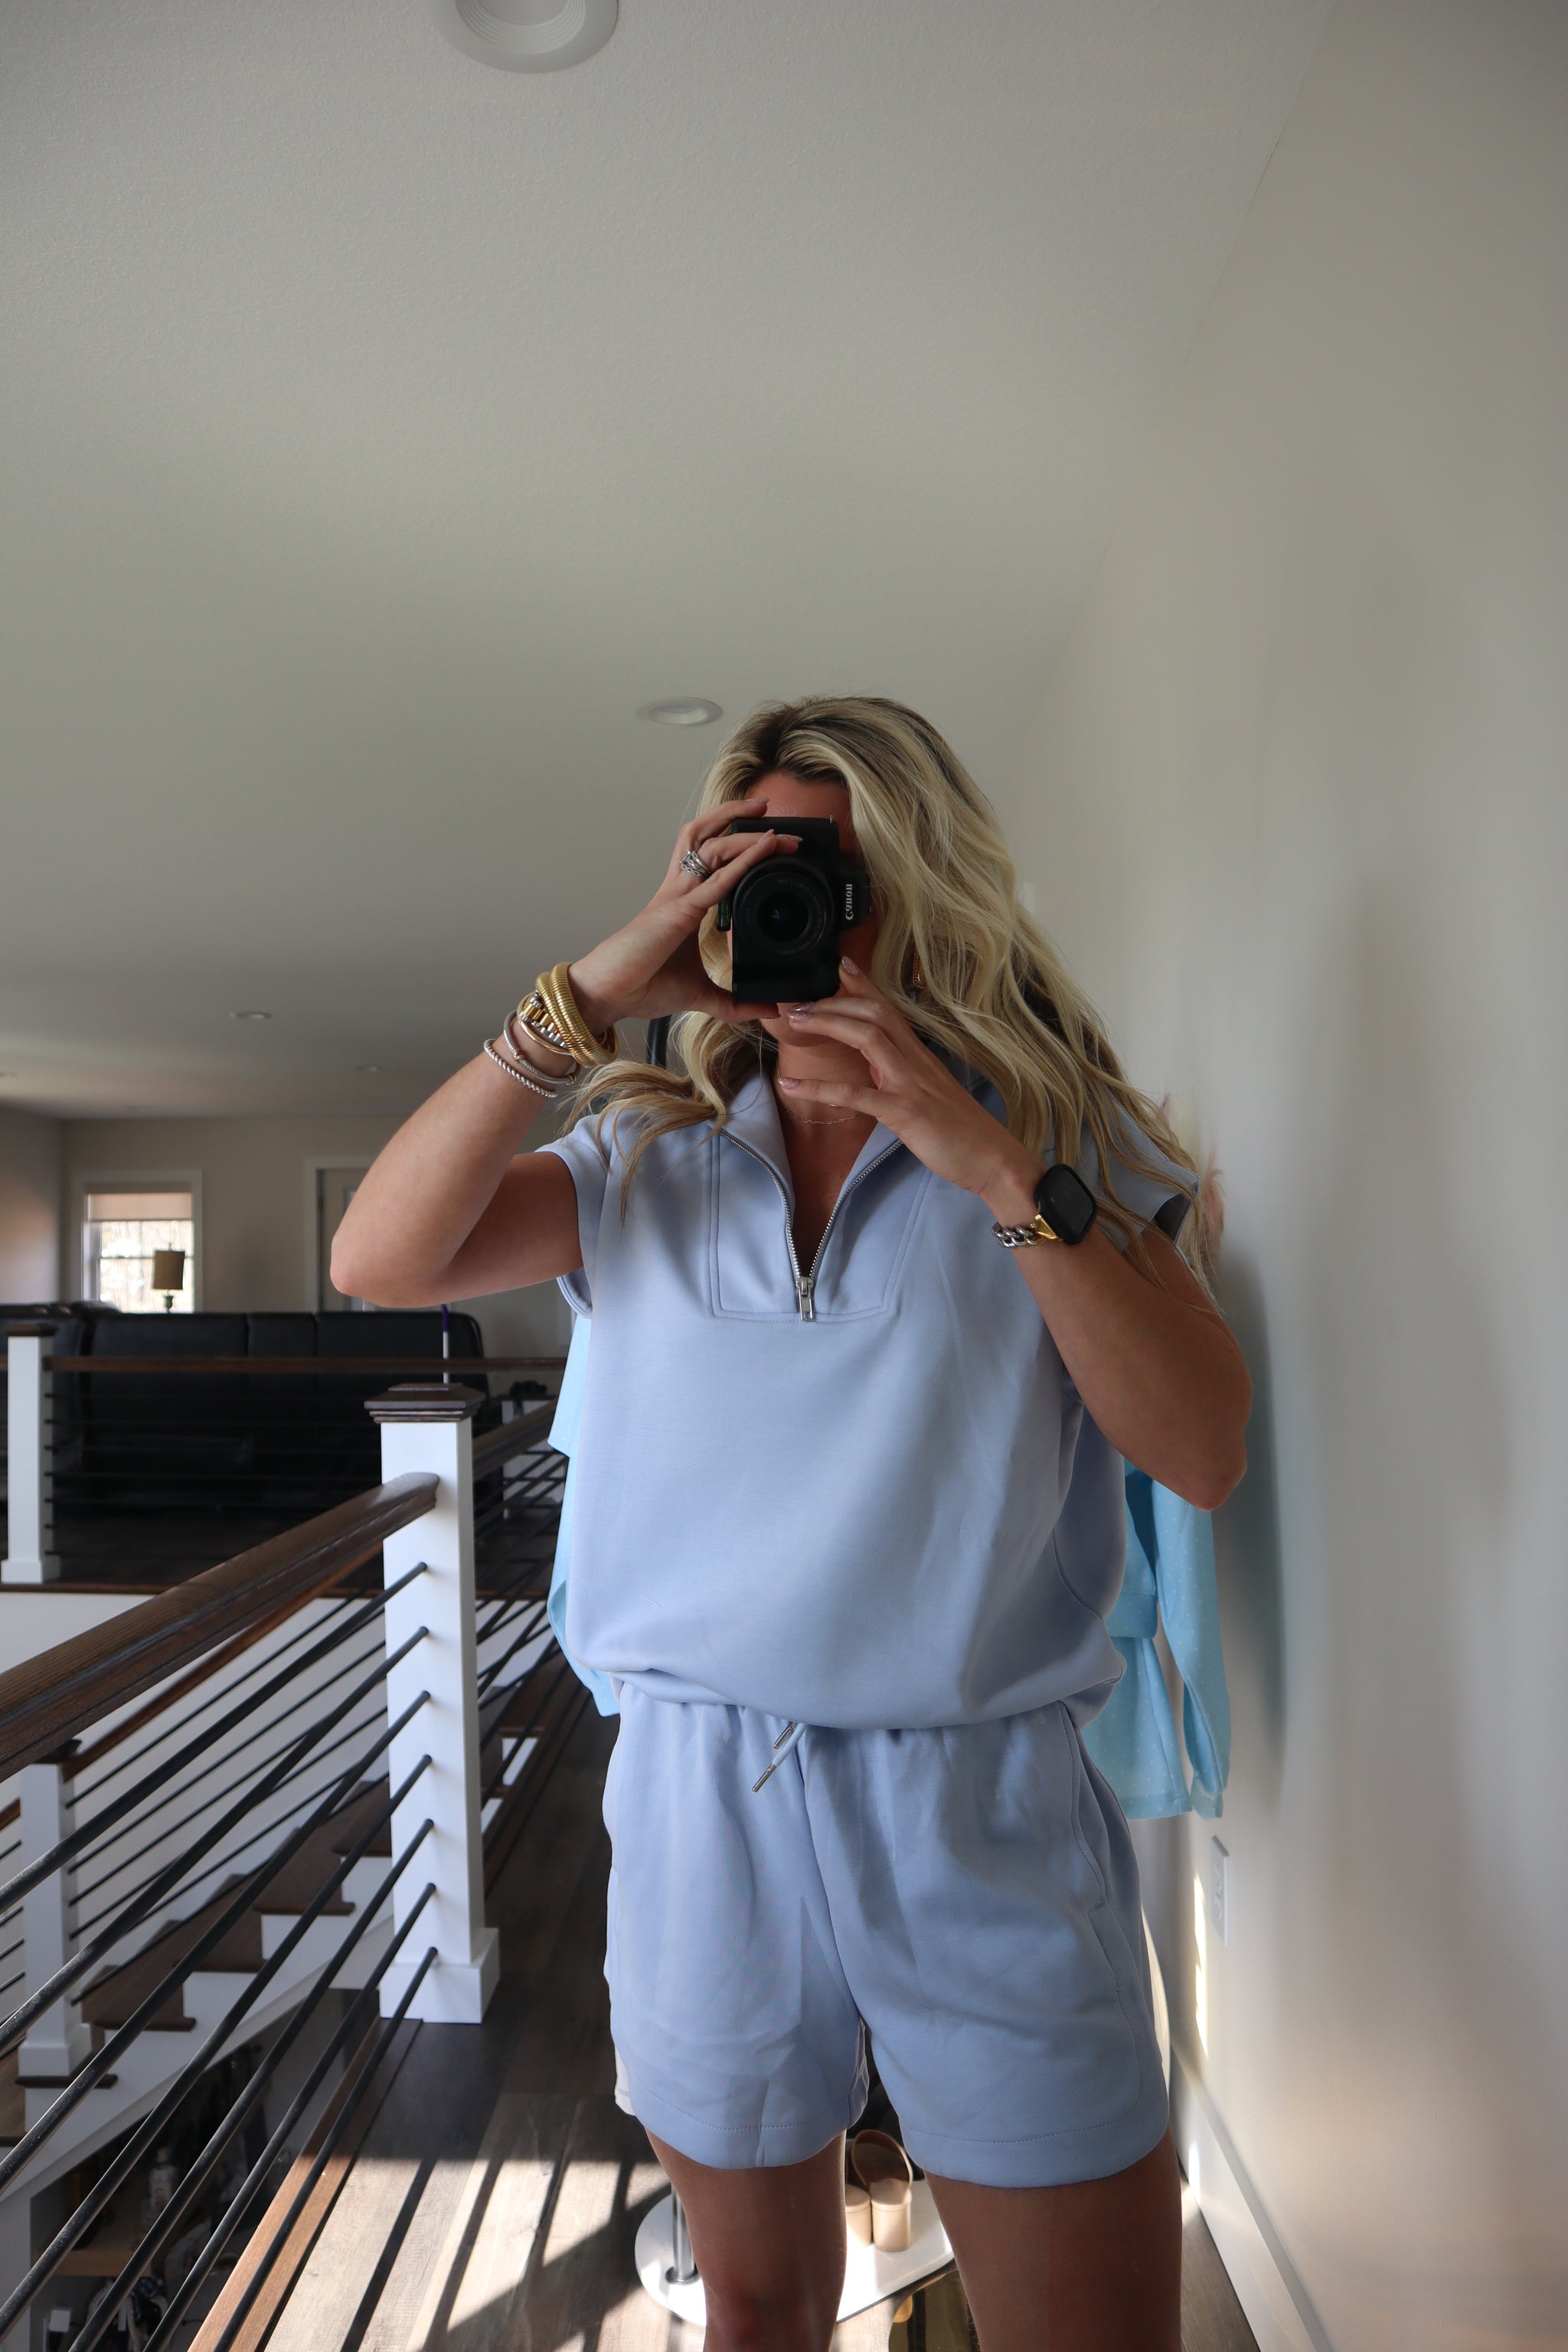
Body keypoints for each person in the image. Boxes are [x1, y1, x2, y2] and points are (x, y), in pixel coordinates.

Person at [333, 697, 1251, 2352]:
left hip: (979, 1798)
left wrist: (985, 1156)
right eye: (742, 860)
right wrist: (584, 1001)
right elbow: (378, 1262)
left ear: (921, 887)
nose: (789, 900)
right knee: (757, 2311)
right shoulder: (641, 1156)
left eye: (829, 867)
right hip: (701, 1793)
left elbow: (1198, 1450)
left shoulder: (1065, 1153)